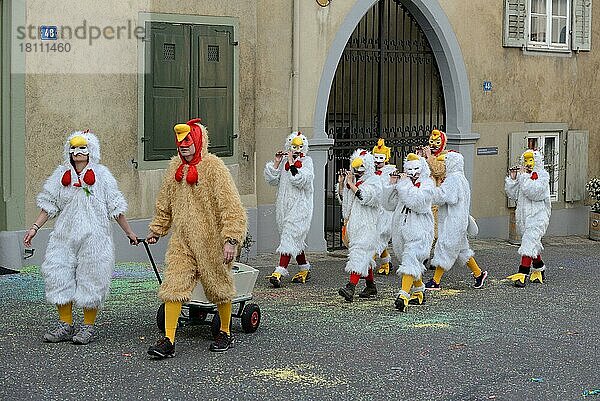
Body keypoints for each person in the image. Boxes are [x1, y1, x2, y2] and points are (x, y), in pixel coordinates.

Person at [23, 130, 138, 345]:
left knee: (92, 278)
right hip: (64, 236)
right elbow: (49, 204)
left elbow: (115, 206)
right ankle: (65, 324)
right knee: (57, 272)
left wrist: (129, 232)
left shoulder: (102, 176)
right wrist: (34, 228)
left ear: (91, 151)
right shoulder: (60, 175)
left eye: (82, 148)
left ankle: (87, 327)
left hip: (95, 237)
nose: (77, 152)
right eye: (73, 149)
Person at [146, 118, 247, 358]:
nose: (183, 146)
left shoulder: (214, 167)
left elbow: (231, 206)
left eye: (188, 141)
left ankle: (225, 331)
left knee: (219, 286)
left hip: (212, 241)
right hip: (181, 241)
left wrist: (231, 239)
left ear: (199, 141)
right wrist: (157, 229)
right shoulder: (174, 169)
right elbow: (165, 203)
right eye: (180, 143)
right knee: (173, 285)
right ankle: (168, 340)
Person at [424, 152, 488, 290]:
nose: (444, 165)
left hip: (452, 221)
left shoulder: (453, 179)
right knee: (462, 250)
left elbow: (445, 197)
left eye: (446, 163)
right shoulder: (462, 179)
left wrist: (431, 191)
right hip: (460, 220)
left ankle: (436, 281)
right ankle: (478, 274)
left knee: (444, 247)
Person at [382, 153, 435, 311]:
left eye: (416, 169)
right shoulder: (403, 184)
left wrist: (403, 184)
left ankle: (403, 295)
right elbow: (388, 205)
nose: (413, 173)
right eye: (409, 169)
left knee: (411, 259)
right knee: (408, 260)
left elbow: (417, 203)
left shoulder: (428, 184)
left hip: (420, 229)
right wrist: (392, 185)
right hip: (401, 229)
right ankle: (419, 291)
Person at [264, 132, 314, 288]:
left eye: (299, 147)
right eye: (293, 147)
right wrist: (277, 163)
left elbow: (301, 180)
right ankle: (304, 268)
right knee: (294, 239)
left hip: (300, 207)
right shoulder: (285, 161)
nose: (296, 149)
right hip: (284, 207)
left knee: (288, 237)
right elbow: (272, 180)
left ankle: (279, 272)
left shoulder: (308, 162)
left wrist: (292, 164)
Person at [336, 149, 382, 302]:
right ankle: (370, 285)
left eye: (361, 168)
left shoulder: (374, 180)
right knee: (365, 255)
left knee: (359, 253)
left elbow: (366, 197)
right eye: (356, 169)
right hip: (355, 224)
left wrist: (351, 184)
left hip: (368, 224)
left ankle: (351, 287)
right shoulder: (354, 181)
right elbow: (346, 201)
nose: (358, 172)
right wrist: (343, 184)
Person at [505, 149, 551, 287]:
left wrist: (523, 177)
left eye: (531, 161)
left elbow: (534, 193)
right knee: (532, 243)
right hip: (523, 216)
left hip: (539, 215)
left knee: (528, 242)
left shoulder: (543, 176)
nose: (528, 164)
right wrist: (513, 179)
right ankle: (539, 267)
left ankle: (522, 273)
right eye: (526, 161)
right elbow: (513, 195)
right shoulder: (523, 176)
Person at [372, 138, 396, 276]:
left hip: (386, 210)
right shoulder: (373, 172)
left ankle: (367, 263)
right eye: (376, 157)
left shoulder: (391, 172)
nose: (378, 160)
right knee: (379, 237)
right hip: (376, 209)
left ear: (386, 158)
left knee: (379, 237)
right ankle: (386, 262)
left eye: (381, 157)